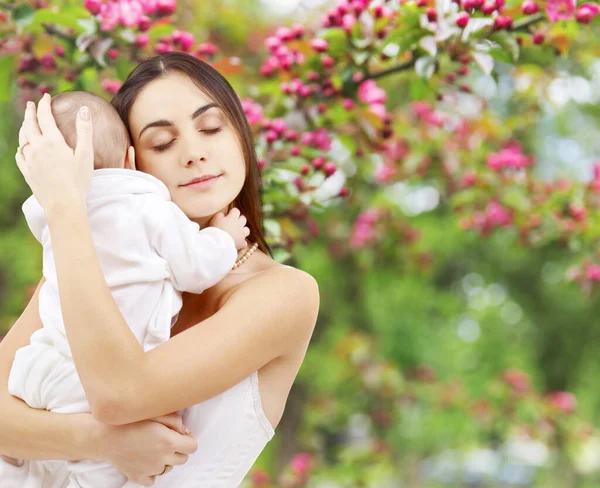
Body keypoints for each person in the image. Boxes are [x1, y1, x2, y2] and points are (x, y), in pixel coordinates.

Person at [0, 51, 319, 487]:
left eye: (210, 128)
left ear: (241, 136)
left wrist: (66, 211)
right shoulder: (85, 263)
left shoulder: (284, 294)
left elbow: (119, 395)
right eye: (162, 143)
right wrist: (101, 442)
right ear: (128, 164)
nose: (194, 154)